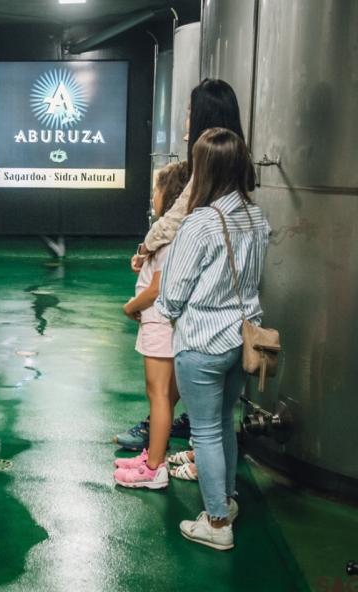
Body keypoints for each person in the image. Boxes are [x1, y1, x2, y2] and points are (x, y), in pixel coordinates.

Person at [113, 78, 248, 454]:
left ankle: (161, 464)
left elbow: (177, 219)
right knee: (215, 411)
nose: (186, 118)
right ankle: (189, 445)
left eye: (191, 110)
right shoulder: (239, 162)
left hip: (197, 300)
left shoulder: (208, 162)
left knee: (180, 398)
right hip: (226, 301)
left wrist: (146, 247)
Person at [155, 128, 271, 550]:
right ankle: (227, 501)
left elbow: (172, 293)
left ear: (205, 169)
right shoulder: (256, 216)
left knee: (203, 431)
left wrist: (169, 316)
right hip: (242, 338)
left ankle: (217, 524)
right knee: (223, 422)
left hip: (202, 342)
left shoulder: (201, 221)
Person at [113, 162, 189, 489]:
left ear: (168, 195)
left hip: (158, 321)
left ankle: (154, 469)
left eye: (156, 191)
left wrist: (130, 307)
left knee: (157, 394)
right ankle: (153, 455)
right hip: (163, 322)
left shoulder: (170, 236)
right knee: (165, 396)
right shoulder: (169, 234)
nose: (152, 197)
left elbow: (158, 289)